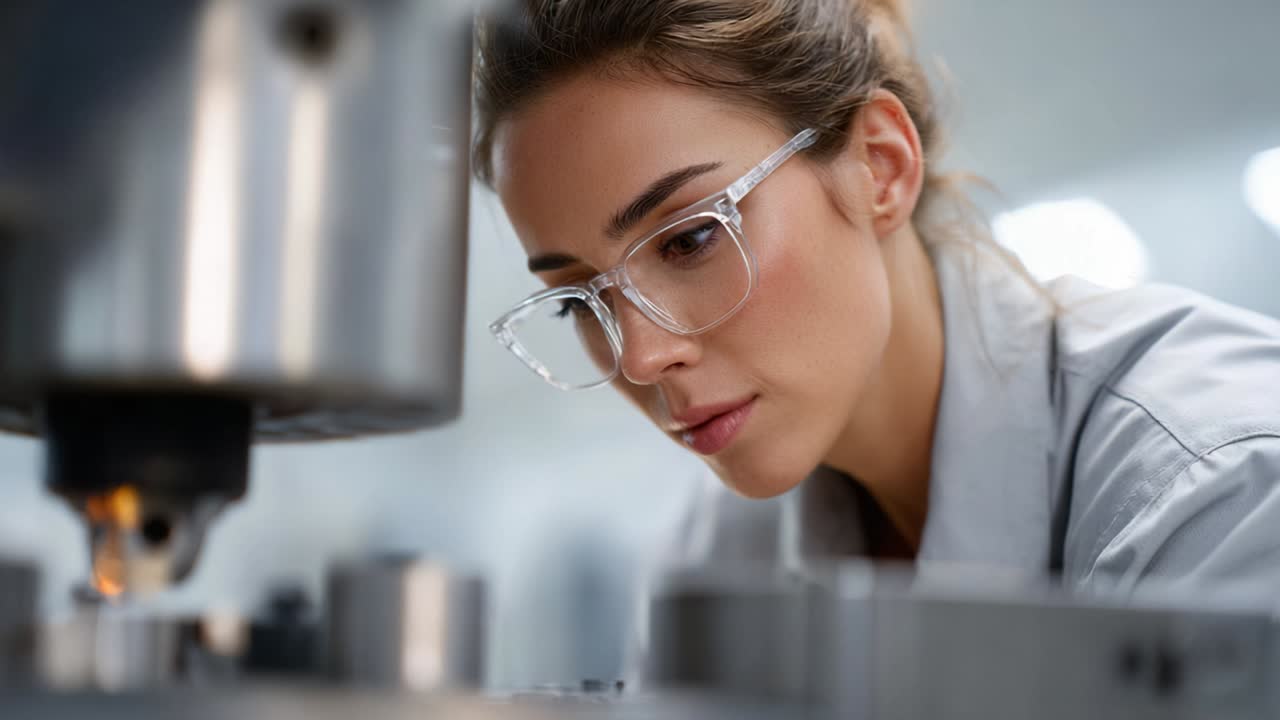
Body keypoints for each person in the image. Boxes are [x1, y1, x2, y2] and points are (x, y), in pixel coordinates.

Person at [473, 0, 1280, 592]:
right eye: (581, 301)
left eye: (690, 239)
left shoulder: (1216, 493)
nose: (643, 358)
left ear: (880, 167)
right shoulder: (724, 555)